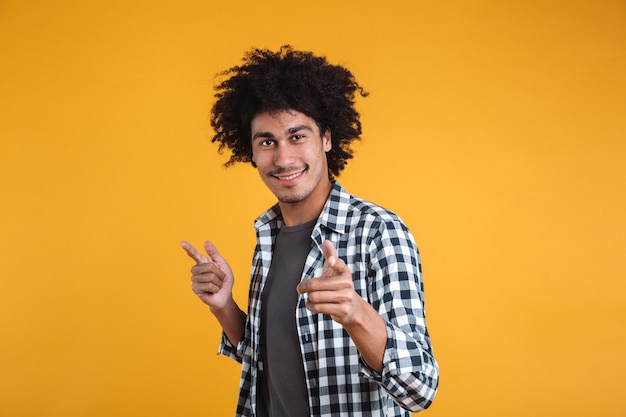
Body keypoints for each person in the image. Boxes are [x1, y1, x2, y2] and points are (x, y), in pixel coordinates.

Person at [181, 45, 439, 417]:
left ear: (327, 139)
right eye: (267, 142)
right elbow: (264, 362)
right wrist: (224, 306)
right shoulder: (268, 236)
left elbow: (420, 388)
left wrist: (356, 315)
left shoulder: (378, 232)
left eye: (297, 136)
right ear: (251, 152)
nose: (283, 159)